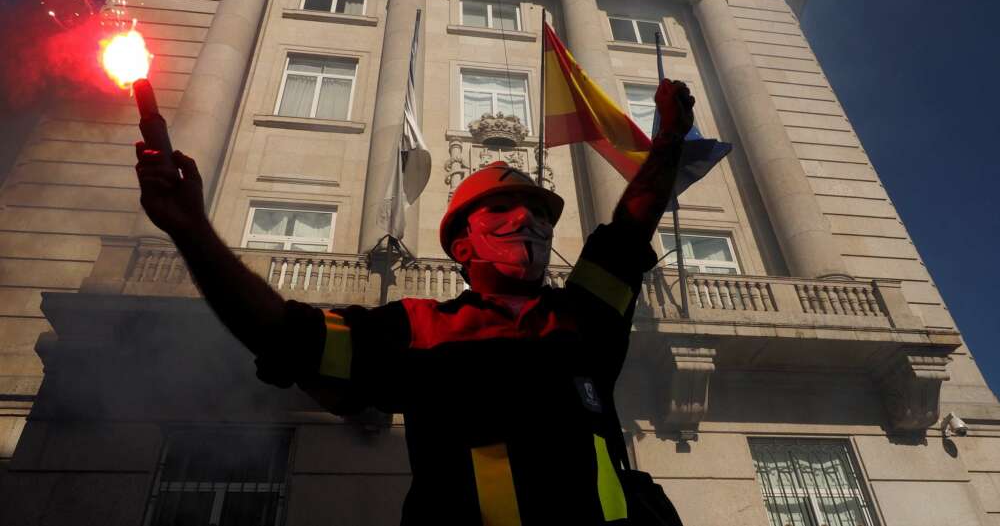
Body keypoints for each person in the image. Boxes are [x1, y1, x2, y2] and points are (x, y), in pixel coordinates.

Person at [134, 79, 695, 525]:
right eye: (501, 211)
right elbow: (284, 336)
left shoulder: (583, 318)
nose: (528, 221)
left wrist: (668, 140)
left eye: (541, 215)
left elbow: (630, 228)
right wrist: (191, 230)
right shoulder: (419, 331)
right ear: (461, 244)